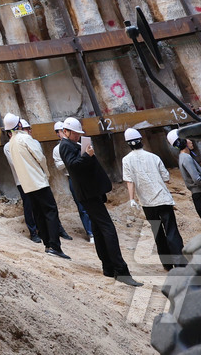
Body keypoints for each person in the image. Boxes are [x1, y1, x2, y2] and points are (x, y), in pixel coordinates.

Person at [59, 117, 140, 286]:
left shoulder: (70, 144)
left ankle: (108, 267)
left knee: (98, 228)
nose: (77, 136)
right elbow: (73, 166)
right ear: (66, 131)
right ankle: (120, 270)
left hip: (90, 192)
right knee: (107, 228)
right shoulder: (65, 145)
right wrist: (87, 156)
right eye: (75, 133)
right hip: (88, 194)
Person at [3, 113, 70, 259]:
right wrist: (46, 173)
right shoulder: (25, 138)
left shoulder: (11, 144)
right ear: (19, 125)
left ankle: (47, 244)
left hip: (26, 184)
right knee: (50, 211)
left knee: (38, 213)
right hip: (38, 181)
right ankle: (55, 246)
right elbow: (40, 157)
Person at [121, 127, 184, 271]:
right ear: (141, 141)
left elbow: (130, 181)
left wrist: (132, 199)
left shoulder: (126, 160)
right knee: (172, 230)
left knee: (158, 232)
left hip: (147, 202)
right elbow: (166, 178)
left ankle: (167, 264)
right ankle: (180, 264)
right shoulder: (154, 157)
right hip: (163, 198)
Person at [169, 129, 201, 232]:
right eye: (188, 139)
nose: (191, 141)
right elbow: (197, 180)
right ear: (183, 142)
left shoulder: (184, 157)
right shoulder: (186, 158)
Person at [51, 120, 92, 244]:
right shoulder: (57, 149)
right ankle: (90, 232)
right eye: (59, 131)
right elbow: (59, 166)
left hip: (85, 175)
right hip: (72, 177)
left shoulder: (78, 144)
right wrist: (70, 159)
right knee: (82, 206)